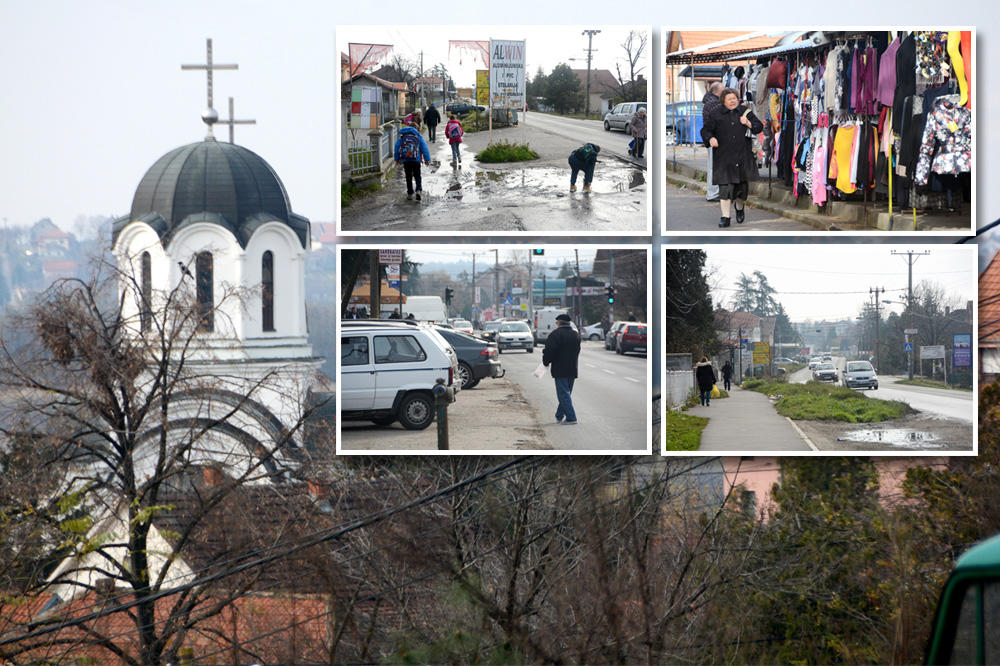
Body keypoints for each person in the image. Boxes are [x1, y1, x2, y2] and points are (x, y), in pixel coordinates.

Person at [701, 87, 764, 228]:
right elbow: (705, 130)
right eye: (729, 99)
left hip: (742, 156)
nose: (732, 101)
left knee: (741, 190)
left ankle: (739, 208)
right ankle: (725, 217)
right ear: (723, 101)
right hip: (724, 158)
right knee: (725, 189)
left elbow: (758, 127)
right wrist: (710, 138)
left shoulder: (745, 112)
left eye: (734, 99)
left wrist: (747, 123)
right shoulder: (715, 114)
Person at [542, 313, 581, 425]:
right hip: (572, 368)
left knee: (563, 394)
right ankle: (559, 415)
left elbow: (549, 351)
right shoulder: (575, 335)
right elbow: (577, 351)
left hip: (560, 369)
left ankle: (571, 418)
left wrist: (545, 362)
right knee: (566, 393)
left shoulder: (555, 334)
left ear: (559, 322)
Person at [394, 123, 431, 201]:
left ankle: (410, 193)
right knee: (417, 175)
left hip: (406, 160)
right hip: (416, 160)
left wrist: (397, 159)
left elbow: (396, 147)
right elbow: (424, 148)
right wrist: (427, 160)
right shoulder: (418, 137)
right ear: (417, 129)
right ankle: (418, 190)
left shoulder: (402, 137)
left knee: (408, 176)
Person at [702, 82, 724, 202]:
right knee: (713, 166)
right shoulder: (714, 103)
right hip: (714, 138)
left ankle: (713, 192)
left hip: (711, 137)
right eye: (723, 90)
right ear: (716, 92)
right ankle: (713, 193)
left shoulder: (709, 102)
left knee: (713, 166)